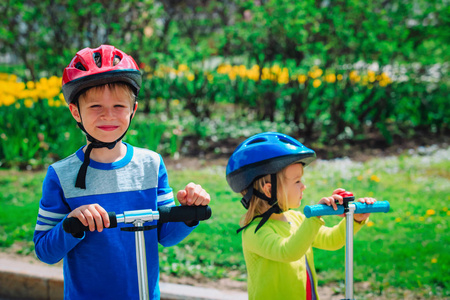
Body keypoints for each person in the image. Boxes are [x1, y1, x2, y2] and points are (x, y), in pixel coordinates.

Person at [33, 45, 210, 300]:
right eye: (95, 106)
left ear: (133, 110)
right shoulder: (61, 175)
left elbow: (166, 236)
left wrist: (189, 211)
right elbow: (45, 251)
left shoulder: (151, 164)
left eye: (119, 105)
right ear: (75, 112)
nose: (108, 115)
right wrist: (71, 223)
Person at [225, 132, 375, 300]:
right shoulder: (254, 232)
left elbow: (332, 240)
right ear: (269, 190)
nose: (303, 186)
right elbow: (288, 251)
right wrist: (313, 219)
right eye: (297, 181)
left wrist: (355, 220)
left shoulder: (295, 219)